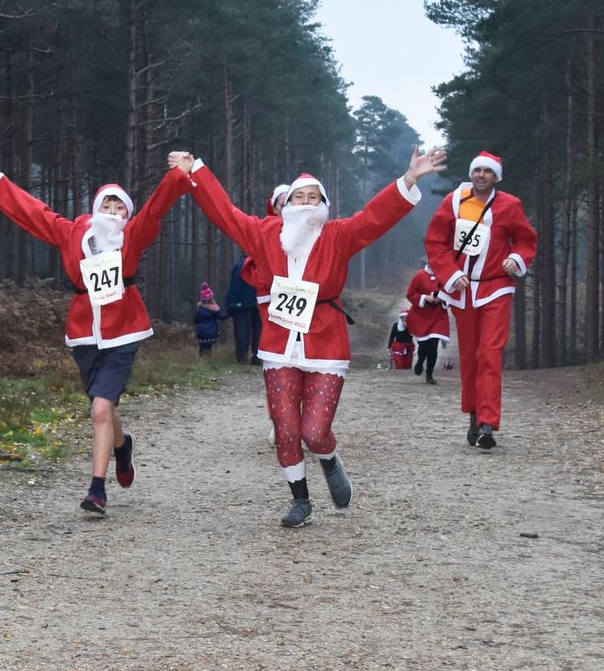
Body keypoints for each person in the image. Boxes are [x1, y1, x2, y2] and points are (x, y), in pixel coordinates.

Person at [172, 146, 448, 527]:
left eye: (313, 197)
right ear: (286, 205)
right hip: (278, 343)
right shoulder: (266, 234)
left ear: (324, 205)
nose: (305, 202)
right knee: (286, 428)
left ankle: (329, 457)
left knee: (314, 432)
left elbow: (375, 217)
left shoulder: (339, 235)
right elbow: (225, 214)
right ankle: (300, 500)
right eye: (298, 197)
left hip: (326, 342)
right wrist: (196, 171)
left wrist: (410, 178)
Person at [0, 155, 190, 515]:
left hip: (124, 331)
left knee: (99, 409)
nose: (112, 211)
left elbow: (157, 208)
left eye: (120, 207)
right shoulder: (73, 233)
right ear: (95, 209)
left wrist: (178, 176)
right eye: (106, 205)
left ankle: (97, 490)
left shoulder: (133, 237)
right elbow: (36, 214)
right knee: (103, 405)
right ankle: (122, 447)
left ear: (127, 216)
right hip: (84, 334)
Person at [424, 150, 537, 451]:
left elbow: (527, 240)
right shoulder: (454, 201)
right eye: (478, 171)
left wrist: (516, 258)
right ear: (471, 173)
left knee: (490, 352)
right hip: (463, 291)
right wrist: (450, 274)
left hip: (496, 288)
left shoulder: (510, 205)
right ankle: (474, 416)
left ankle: (488, 422)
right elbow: (436, 242)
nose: (482, 176)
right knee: (471, 356)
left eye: (488, 171)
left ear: (496, 176)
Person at [404, 261, 452, 384]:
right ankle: (420, 361)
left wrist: (442, 298)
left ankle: (429, 374)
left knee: (433, 345)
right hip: (421, 315)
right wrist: (425, 297)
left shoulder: (445, 276)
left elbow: (452, 292)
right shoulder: (420, 276)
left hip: (438, 315)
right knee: (424, 346)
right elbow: (410, 294)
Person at [226, 255, 262, 364]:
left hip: (242, 303)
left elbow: (235, 285)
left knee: (242, 330)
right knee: (258, 330)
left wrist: (231, 304)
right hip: (260, 300)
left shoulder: (241, 265)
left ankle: (242, 358)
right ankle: (257, 357)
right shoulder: (261, 263)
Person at [194, 282, 228, 356]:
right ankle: (209, 362)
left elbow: (196, 320)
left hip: (201, 333)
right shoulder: (214, 309)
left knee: (202, 348)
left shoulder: (199, 308)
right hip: (211, 332)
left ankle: (201, 362)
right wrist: (230, 312)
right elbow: (222, 317)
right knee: (208, 348)